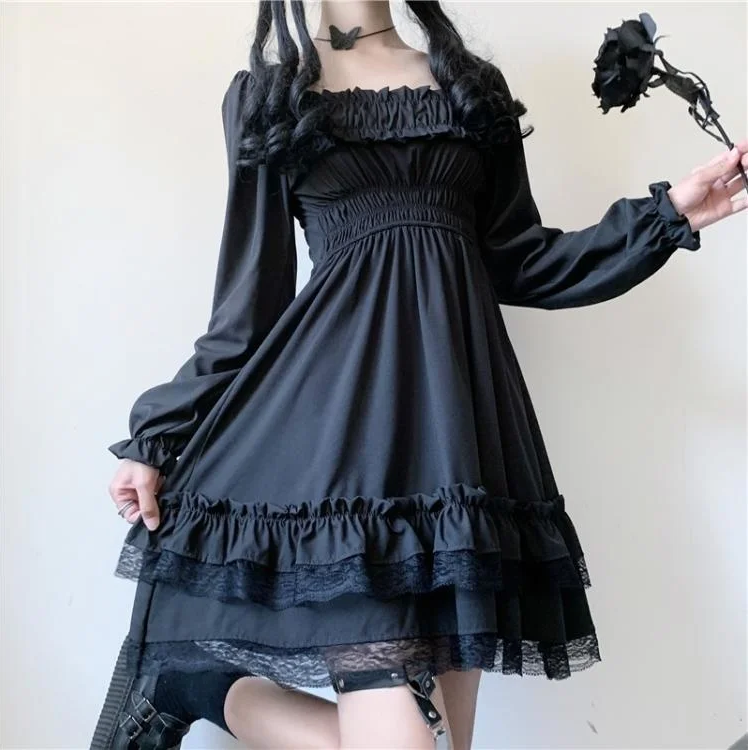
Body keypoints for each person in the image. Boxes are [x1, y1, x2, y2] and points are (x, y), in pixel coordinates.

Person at [91, 1, 748, 748]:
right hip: (345, 457)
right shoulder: (271, 96)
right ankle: (196, 685)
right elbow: (248, 307)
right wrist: (159, 436)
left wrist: (667, 217)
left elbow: (521, 258)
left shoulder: (469, 87)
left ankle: (192, 686)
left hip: (460, 452)